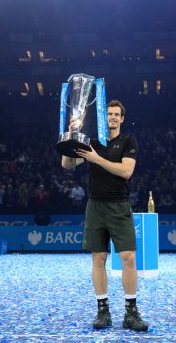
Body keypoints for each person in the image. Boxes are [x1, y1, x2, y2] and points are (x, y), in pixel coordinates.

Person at [61, 99, 148, 332]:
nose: (112, 117)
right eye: (109, 113)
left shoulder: (128, 142)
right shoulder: (93, 142)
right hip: (96, 206)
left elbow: (126, 171)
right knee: (98, 260)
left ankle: (131, 313)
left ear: (122, 119)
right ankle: (103, 311)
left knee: (129, 258)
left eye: (116, 114)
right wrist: (71, 134)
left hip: (119, 206)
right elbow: (67, 164)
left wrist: (96, 158)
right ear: (104, 117)